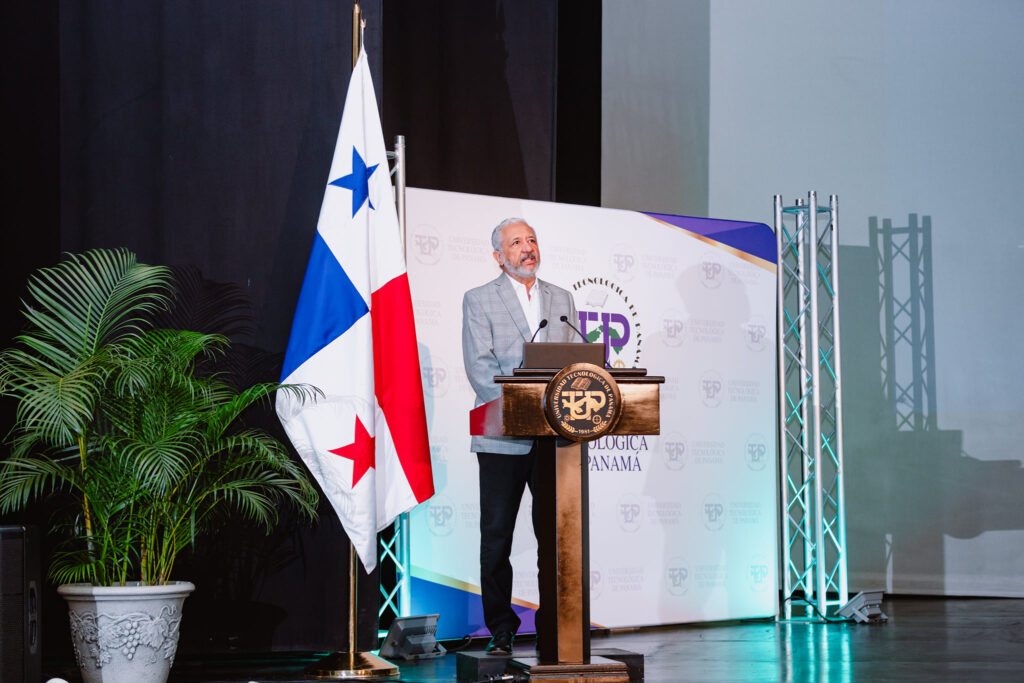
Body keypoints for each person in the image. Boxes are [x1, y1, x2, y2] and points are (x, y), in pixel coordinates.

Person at [461, 217, 579, 656]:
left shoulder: (561, 298)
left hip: (555, 439)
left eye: (531, 240)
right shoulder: (479, 300)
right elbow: (480, 370)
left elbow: (573, 363)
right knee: (497, 538)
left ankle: (555, 627)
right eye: (516, 242)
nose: (527, 248)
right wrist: (527, 405)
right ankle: (502, 629)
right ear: (499, 256)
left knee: (556, 536)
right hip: (502, 437)